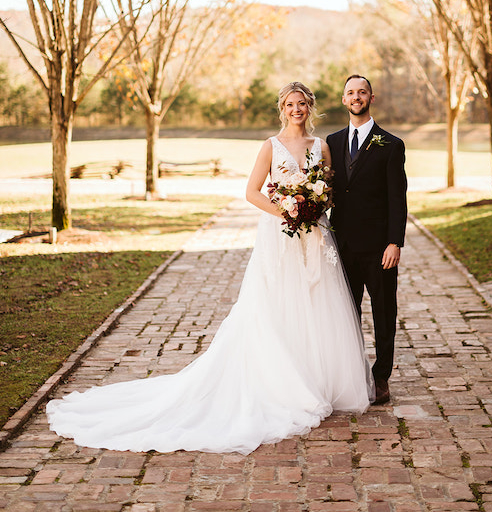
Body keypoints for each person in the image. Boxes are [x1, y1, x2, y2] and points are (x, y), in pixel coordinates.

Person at [46, 82, 372, 454]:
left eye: (302, 104)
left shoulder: (321, 147)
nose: (296, 109)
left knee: (316, 303)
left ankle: (319, 380)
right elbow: (252, 192)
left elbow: (328, 190)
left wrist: (314, 206)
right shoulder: (271, 146)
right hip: (280, 236)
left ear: (310, 107)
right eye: (289, 104)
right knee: (278, 303)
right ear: (282, 108)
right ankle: (282, 384)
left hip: (314, 236)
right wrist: (288, 209)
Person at [326, 75, 408, 406]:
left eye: (362, 92)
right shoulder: (330, 142)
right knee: (345, 313)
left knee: (384, 311)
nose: (356, 97)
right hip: (342, 245)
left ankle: (381, 376)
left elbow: (397, 199)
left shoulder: (391, 144)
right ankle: (353, 374)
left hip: (378, 248)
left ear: (371, 98)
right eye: (350, 92)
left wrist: (394, 242)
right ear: (344, 100)